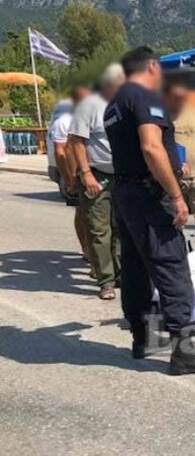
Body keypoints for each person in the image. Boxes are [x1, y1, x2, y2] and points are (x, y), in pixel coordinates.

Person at [104, 46, 195, 374]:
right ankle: (184, 352)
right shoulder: (144, 96)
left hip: (126, 193)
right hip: (149, 195)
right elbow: (151, 146)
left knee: (135, 268)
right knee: (172, 267)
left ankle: (141, 337)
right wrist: (176, 195)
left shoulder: (115, 103)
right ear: (152, 67)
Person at [70, 65, 124, 300]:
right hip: (97, 175)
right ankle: (106, 280)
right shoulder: (89, 106)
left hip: (123, 176)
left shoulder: (124, 104)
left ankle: (121, 274)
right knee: (99, 230)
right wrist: (86, 174)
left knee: (120, 228)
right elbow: (77, 142)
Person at [162, 80, 195, 242]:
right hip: (175, 176)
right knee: (176, 216)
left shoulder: (193, 109)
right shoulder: (162, 114)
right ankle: (179, 248)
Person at [51, 86, 92, 263]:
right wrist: (69, 178)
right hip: (76, 173)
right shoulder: (64, 122)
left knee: (98, 215)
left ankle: (97, 253)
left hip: (97, 170)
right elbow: (60, 152)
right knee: (82, 212)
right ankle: (87, 250)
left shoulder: (96, 116)